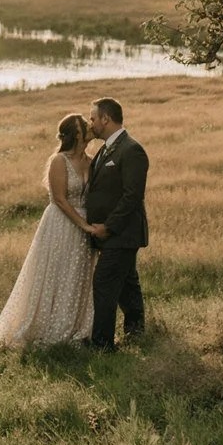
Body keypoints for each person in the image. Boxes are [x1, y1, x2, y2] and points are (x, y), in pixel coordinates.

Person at [0, 112, 96, 348]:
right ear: (76, 134)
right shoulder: (59, 161)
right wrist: (84, 224)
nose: (89, 126)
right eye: (84, 124)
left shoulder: (91, 161)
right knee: (54, 273)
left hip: (86, 228)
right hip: (61, 224)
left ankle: (75, 327)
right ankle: (47, 326)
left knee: (77, 275)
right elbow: (60, 199)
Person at [82, 96, 146, 349]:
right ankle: (136, 333)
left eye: (93, 118)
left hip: (121, 233)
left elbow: (132, 196)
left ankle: (102, 345)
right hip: (113, 234)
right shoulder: (105, 149)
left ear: (106, 119)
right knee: (127, 285)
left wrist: (108, 227)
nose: (91, 124)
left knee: (104, 282)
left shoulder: (131, 150)